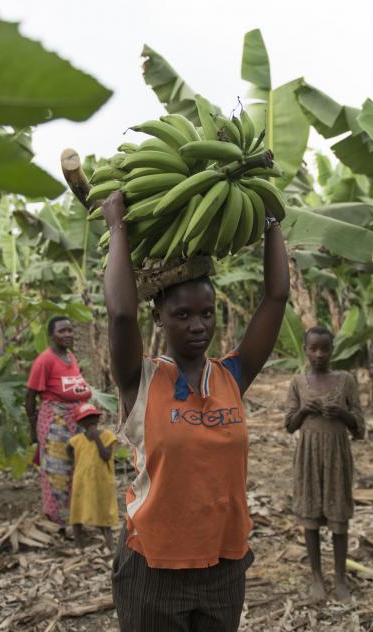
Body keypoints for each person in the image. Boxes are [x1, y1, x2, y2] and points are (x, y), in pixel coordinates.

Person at [102, 189, 290, 632]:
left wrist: (270, 221)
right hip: (153, 566)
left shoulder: (231, 377)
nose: (198, 325)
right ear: (160, 318)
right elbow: (120, 314)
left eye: (206, 313)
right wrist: (117, 228)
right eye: (183, 314)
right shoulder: (140, 380)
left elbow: (277, 297)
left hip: (224, 565)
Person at [284, 326, 364, 603]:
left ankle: (340, 577)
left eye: (324, 349)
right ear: (305, 350)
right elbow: (289, 425)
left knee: (338, 515)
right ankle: (317, 576)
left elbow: (359, 423)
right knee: (310, 517)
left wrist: (341, 413)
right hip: (308, 453)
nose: (318, 354)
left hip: (336, 454)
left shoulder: (345, 380)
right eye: (313, 348)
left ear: (332, 350)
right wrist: (305, 409)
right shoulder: (297, 382)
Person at [26, 315, 93, 525]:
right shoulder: (44, 360)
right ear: (51, 336)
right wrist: (33, 430)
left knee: (75, 468)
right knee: (57, 469)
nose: (67, 334)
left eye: (70, 330)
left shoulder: (70, 357)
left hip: (75, 420)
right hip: (55, 422)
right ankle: (57, 519)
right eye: (62, 331)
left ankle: (76, 516)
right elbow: (29, 396)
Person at [66, 402, 119, 550]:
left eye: (93, 417)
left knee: (103, 514)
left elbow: (106, 455)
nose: (90, 422)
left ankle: (110, 546)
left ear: (98, 419)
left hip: (101, 483)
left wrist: (97, 438)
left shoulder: (107, 436)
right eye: (86, 419)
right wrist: (75, 464)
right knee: (77, 512)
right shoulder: (77, 440)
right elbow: (69, 449)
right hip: (81, 482)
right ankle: (79, 545)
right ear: (80, 423)